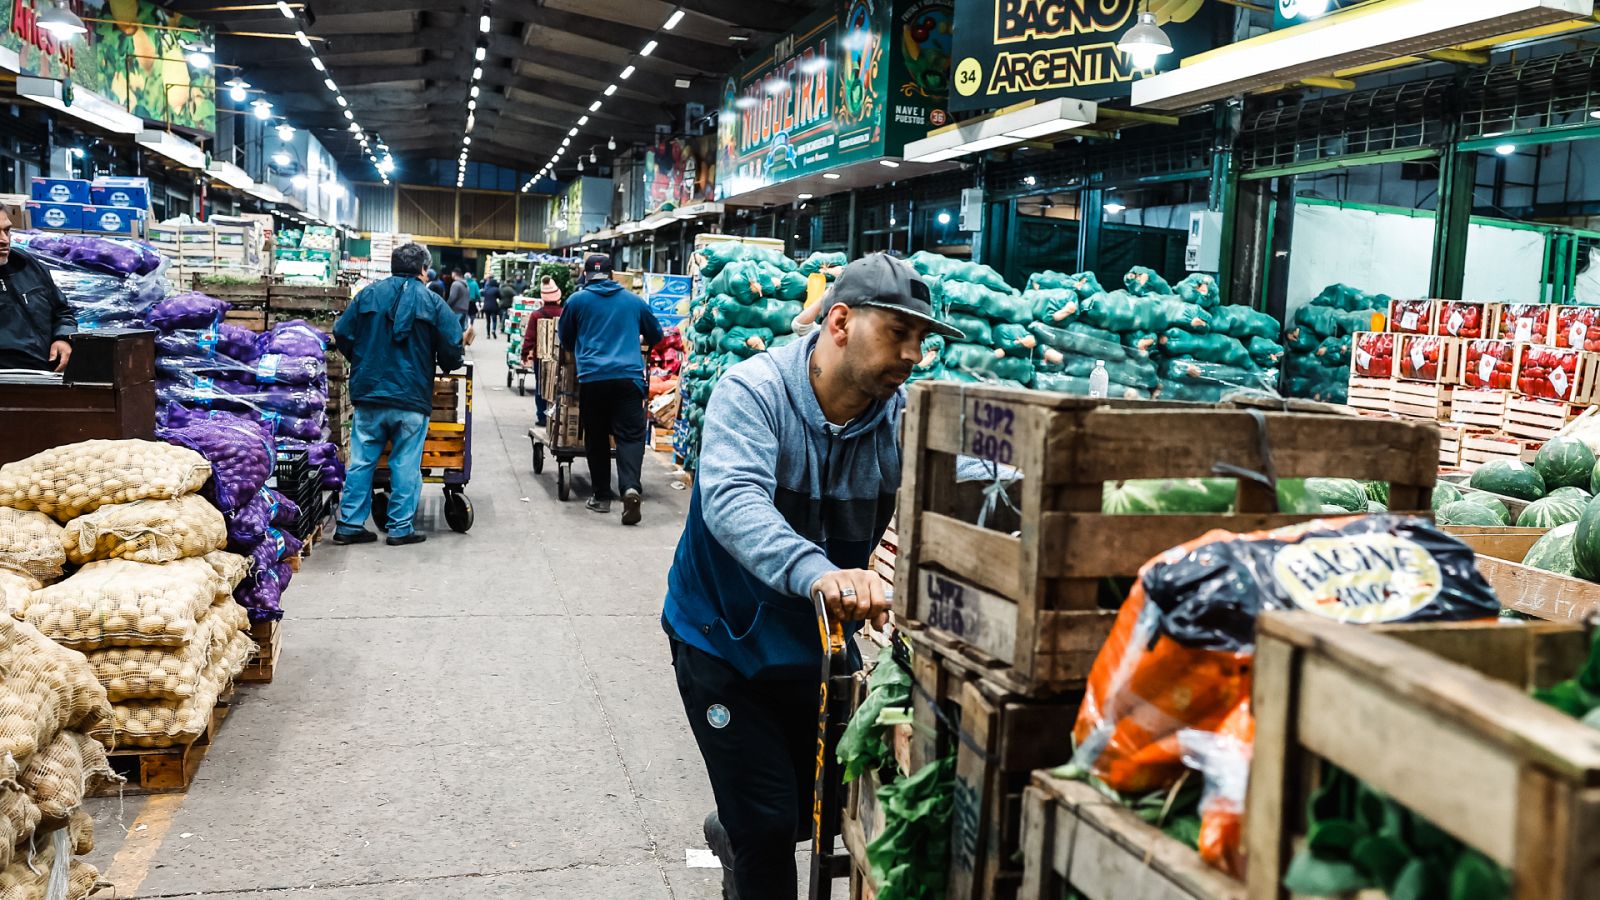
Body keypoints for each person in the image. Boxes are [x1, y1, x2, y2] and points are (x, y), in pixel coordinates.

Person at [661, 253, 968, 899]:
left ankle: (736, 828)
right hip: (722, 638)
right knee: (770, 827)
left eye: (922, 339)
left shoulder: (898, 418)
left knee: (820, 799)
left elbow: (958, 483)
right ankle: (748, 837)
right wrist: (818, 570)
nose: (914, 353)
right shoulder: (755, 391)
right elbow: (734, 499)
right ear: (839, 321)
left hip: (814, 641)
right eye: (898, 333)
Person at [331, 242, 465, 547]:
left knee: (362, 461)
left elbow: (342, 332)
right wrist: (446, 361)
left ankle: (350, 524)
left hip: (370, 394)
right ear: (423, 269)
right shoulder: (432, 302)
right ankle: (400, 527)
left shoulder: (367, 295)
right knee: (405, 462)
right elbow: (453, 347)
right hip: (411, 396)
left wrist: (362, 359)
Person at [557, 255, 661, 524]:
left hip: (593, 379)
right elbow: (657, 335)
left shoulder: (576, 301)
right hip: (628, 378)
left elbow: (566, 338)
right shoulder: (634, 302)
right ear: (613, 274)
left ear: (586, 275)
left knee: (597, 437)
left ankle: (602, 496)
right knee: (630, 436)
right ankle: (629, 488)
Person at [0, 209, 74, 372]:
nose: (4, 240)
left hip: (46, 375)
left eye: (6, 230)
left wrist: (63, 338)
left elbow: (62, 311)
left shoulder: (27, 264)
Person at [522, 276, 566, 426]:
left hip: (540, 358)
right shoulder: (564, 313)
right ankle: (557, 417)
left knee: (541, 387)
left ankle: (542, 417)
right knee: (560, 387)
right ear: (558, 297)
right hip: (562, 358)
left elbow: (529, 337)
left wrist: (524, 354)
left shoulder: (536, 315)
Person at [446, 267, 472, 333]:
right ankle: (461, 343)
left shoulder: (455, 284)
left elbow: (452, 298)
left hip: (456, 311)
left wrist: (446, 306)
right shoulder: (466, 285)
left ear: (454, 274)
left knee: (454, 331)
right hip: (465, 310)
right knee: (461, 332)